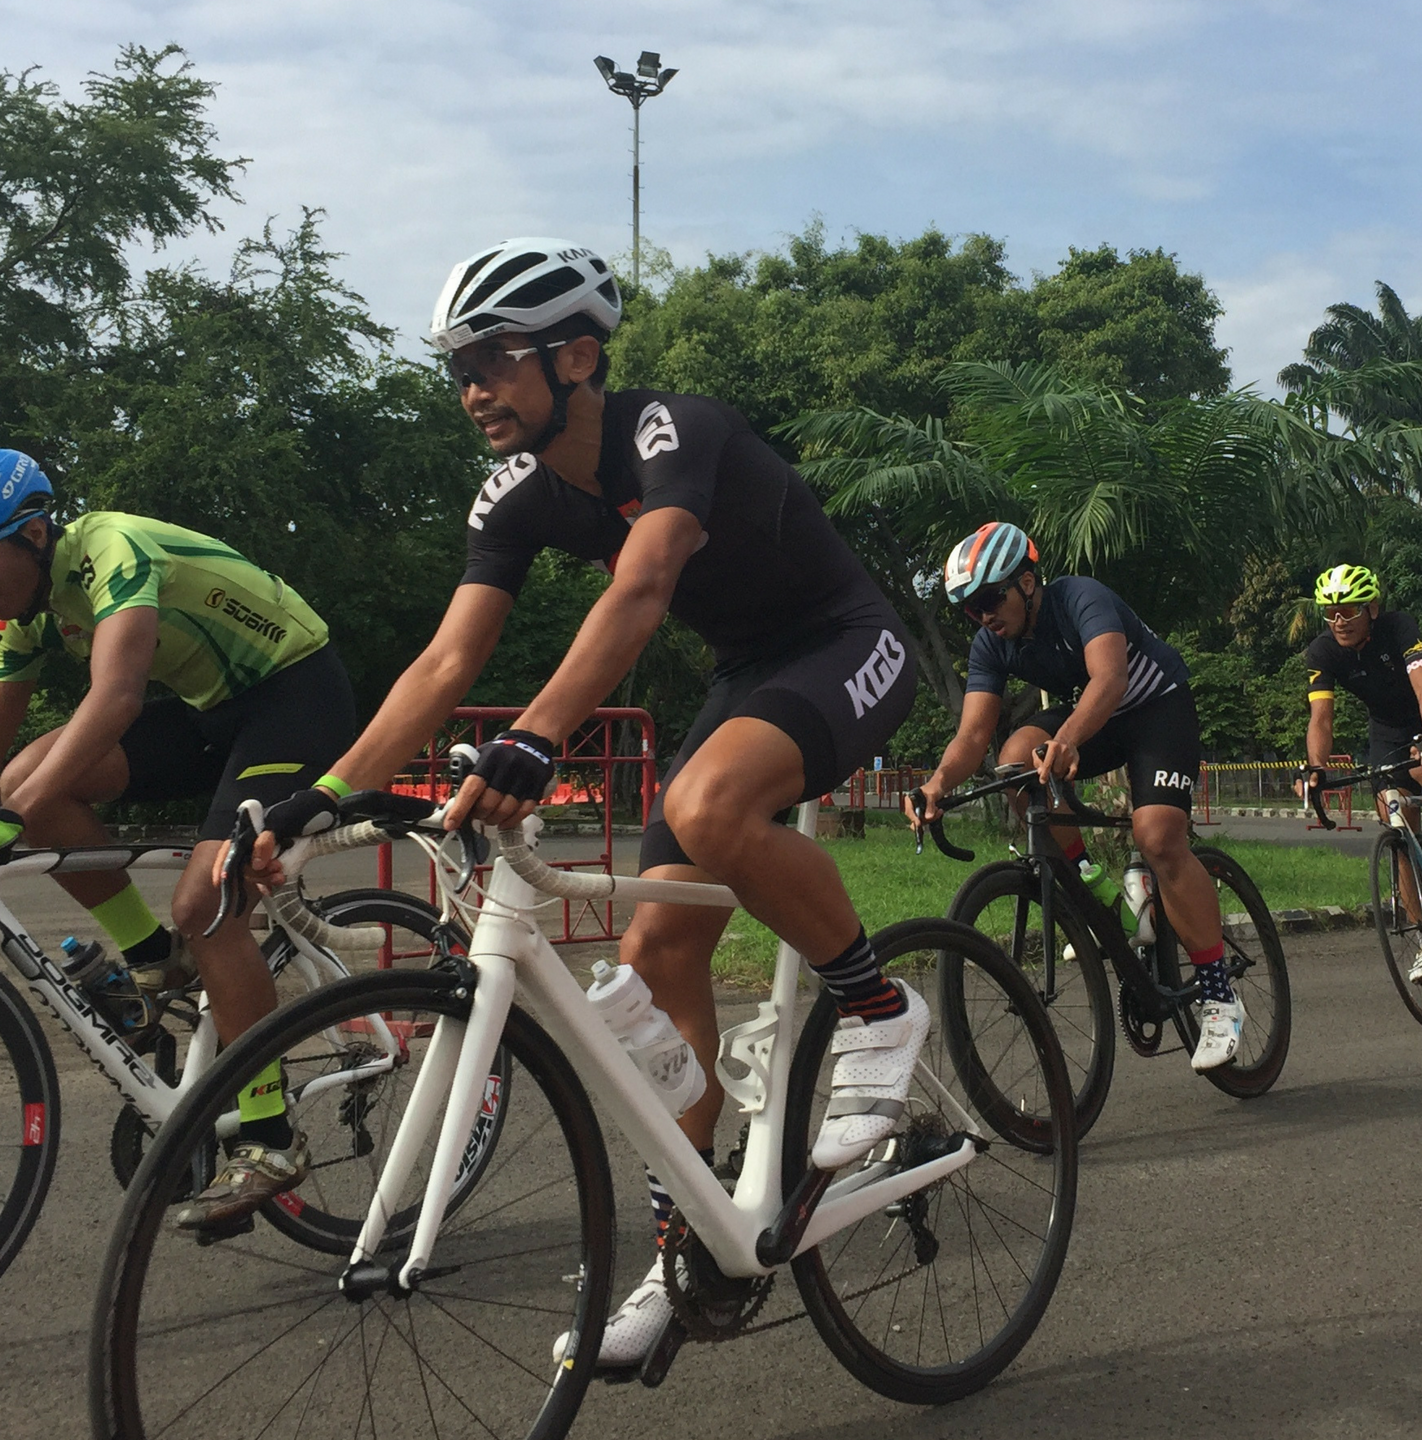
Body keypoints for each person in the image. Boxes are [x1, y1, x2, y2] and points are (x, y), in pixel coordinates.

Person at [233, 238, 918, 1376]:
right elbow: (446, 661)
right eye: (458, 366)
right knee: (654, 955)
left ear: (579, 356)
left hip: (849, 641)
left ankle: (880, 1008)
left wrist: (539, 733)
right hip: (747, 672)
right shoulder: (513, 492)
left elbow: (644, 582)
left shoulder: (673, 432)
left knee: (704, 802)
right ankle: (690, 1248)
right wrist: (321, 797)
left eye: (495, 360)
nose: (472, 389)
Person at [0, 447, 352, 1227]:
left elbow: (116, 698)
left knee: (207, 903)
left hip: (295, 696)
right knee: (27, 774)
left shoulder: (113, 548)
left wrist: (10, 819)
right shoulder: (17, 614)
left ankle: (269, 1135)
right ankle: (154, 959)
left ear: (34, 531)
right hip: (210, 714)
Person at [905, 523, 1239, 1071]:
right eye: (970, 608)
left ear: (1028, 583)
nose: (983, 615)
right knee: (1014, 759)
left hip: (1156, 710)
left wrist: (1066, 739)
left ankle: (1218, 991)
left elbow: (1109, 680)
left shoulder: (1082, 596)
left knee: (1156, 836)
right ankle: (1094, 885)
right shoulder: (992, 644)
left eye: (990, 599)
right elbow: (971, 737)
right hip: (1097, 721)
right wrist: (936, 785)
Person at [1298, 564, 1422, 989]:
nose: (1339, 621)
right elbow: (1321, 717)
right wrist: (1316, 765)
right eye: (1330, 612)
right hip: (1387, 729)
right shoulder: (1322, 651)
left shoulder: (1398, 627)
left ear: (1371, 608)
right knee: (1396, 825)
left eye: (1349, 611)